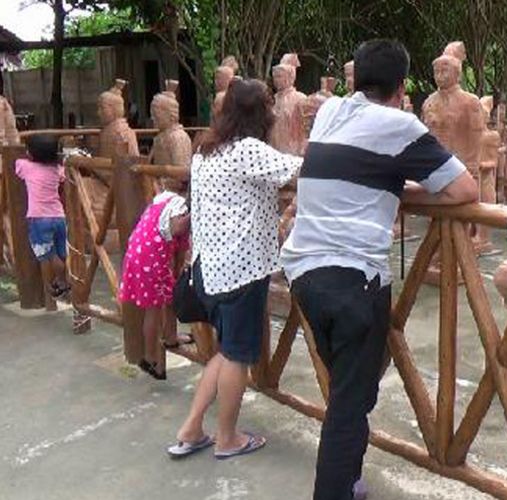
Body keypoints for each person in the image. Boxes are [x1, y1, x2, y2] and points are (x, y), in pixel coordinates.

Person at [280, 39, 478, 500]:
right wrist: (403, 190)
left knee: (350, 388)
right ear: (403, 87)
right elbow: (465, 189)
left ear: (357, 80)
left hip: (305, 273)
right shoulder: (400, 125)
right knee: (349, 406)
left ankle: (349, 482)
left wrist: (388, 183)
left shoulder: (330, 113)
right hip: (354, 279)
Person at [169, 79, 303, 459]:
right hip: (241, 273)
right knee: (238, 356)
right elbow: (302, 168)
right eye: (269, 107)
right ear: (259, 114)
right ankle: (227, 438)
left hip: (208, 271)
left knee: (226, 352)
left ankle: (192, 429)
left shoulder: (205, 150)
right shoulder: (247, 151)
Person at [118, 178, 192, 380]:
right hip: (151, 260)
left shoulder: (160, 201)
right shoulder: (180, 206)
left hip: (137, 253)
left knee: (166, 297)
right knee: (154, 308)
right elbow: (177, 230)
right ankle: (150, 357)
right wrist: (194, 213)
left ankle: (170, 337)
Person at [15, 134, 69, 298]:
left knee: (48, 254)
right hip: (58, 216)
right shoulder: (57, 169)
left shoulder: (26, 167)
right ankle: (59, 282)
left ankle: (62, 280)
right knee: (60, 253)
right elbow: (63, 175)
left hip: (39, 218)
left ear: (31, 154)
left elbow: (17, 164)